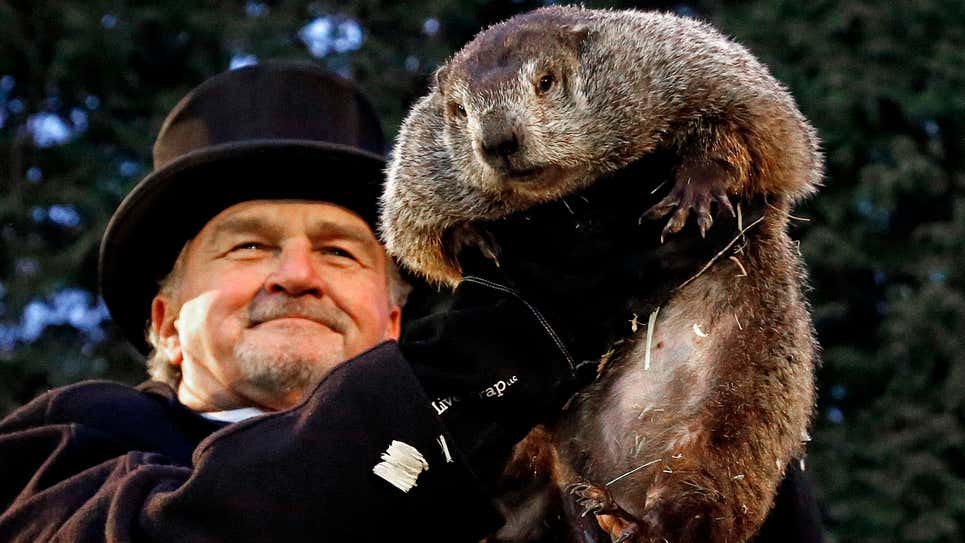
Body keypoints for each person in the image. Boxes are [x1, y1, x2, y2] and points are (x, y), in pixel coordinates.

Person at [0, 61, 821, 542]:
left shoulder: (533, 454)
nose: (296, 273)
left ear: (393, 316)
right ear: (164, 322)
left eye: (339, 250)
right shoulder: (66, 444)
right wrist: (469, 371)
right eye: (247, 245)